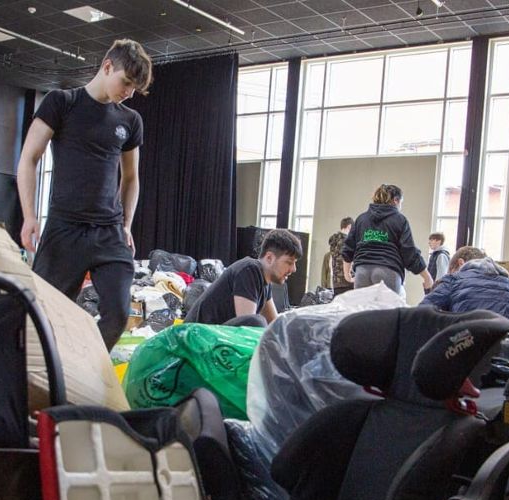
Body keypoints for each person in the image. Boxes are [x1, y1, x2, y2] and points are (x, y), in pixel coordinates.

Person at [16, 39, 152, 351]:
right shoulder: (62, 102)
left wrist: (127, 224)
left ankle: (84, 371)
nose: (129, 92)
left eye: (135, 89)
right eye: (126, 83)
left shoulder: (130, 121)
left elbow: (131, 178)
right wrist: (29, 216)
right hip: (65, 228)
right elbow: (28, 159)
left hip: (109, 231)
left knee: (118, 314)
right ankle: (39, 376)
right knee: (39, 315)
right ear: (107, 66)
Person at [184, 229, 302, 328]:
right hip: (194, 339)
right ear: (269, 258)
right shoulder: (249, 270)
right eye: (289, 262)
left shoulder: (265, 283)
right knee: (256, 323)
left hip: (210, 339)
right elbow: (247, 330)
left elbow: (275, 325)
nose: (294, 269)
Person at [341, 184, 432, 297]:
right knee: (387, 314)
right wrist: (427, 277)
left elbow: (348, 248)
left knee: (363, 313)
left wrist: (347, 273)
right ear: (396, 200)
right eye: (401, 203)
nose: (400, 206)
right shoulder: (400, 220)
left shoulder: (361, 219)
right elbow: (409, 252)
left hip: (362, 272)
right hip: (388, 271)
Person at [420, 246, 509, 329]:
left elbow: (420, 316)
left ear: (460, 263)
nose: (450, 274)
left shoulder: (453, 281)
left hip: (470, 354)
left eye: (450, 270)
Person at [321, 217, 353, 296]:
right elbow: (349, 260)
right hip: (347, 282)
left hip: (336, 283)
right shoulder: (347, 241)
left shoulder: (334, 242)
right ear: (349, 226)